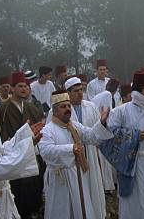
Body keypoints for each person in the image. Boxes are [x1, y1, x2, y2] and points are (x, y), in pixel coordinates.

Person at [39, 90, 113, 219]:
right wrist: (71, 149)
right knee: (63, 211)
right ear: (55, 111)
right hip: (60, 179)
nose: (68, 109)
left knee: (81, 208)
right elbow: (45, 151)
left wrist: (101, 123)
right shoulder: (48, 130)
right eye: (63, 106)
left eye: (69, 106)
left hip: (77, 174)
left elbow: (92, 136)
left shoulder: (75, 126)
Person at [108, 70, 144, 219]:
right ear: (137, 92)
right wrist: (133, 136)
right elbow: (110, 136)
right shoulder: (120, 112)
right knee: (133, 201)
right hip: (130, 164)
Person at [56, 76, 107, 219]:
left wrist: (102, 124)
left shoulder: (90, 106)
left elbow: (95, 133)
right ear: (68, 93)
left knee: (92, 187)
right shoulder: (59, 110)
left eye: (81, 90)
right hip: (70, 157)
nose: (80, 93)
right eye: (76, 91)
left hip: (89, 153)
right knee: (76, 192)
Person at [0, 71, 45, 219]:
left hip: (32, 154)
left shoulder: (32, 108)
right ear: (12, 88)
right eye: (20, 86)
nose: (24, 89)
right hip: (13, 154)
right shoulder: (3, 109)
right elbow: (2, 134)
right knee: (18, 191)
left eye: (26, 86)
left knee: (34, 188)